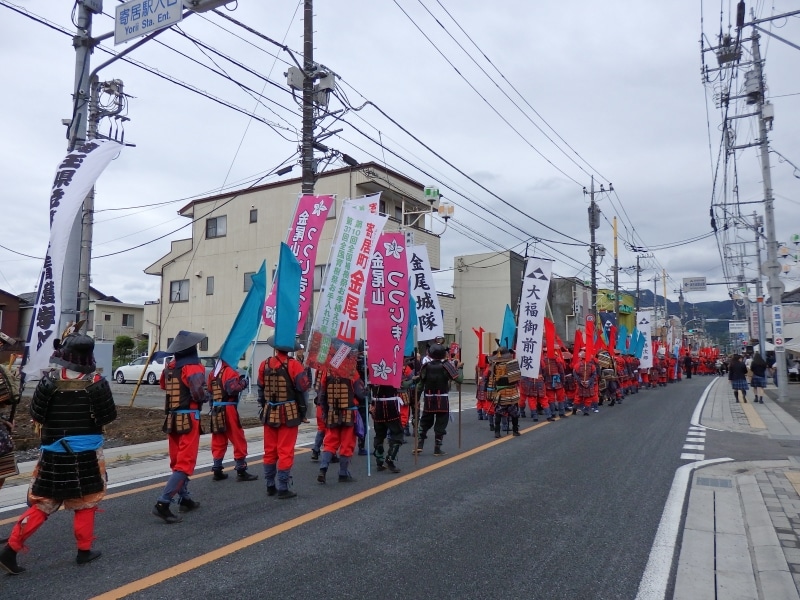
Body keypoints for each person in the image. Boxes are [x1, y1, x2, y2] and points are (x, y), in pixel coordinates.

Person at [1, 331, 116, 574]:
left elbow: (37, 414)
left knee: (44, 503)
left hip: (53, 452)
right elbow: (107, 416)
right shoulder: (97, 383)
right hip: (87, 452)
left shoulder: (49, 381)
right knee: (86, 501)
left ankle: (10, 549)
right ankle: (83, 551)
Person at [153, 331, 210, 524]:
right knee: (185, 463)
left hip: (172, 418)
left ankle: (185, 498)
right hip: (189, 417)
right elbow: (198, 394)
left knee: (177, 460)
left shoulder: (170, 367)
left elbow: (163, 386)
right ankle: (163, 502)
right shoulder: (193, 367)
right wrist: (207, 395)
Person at [257, 335, 310, 498]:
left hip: (269, 412)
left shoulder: (264, 364)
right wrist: (303, 412)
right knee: (285, 450)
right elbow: (303, 388)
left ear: (275, 348)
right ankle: (283, 487)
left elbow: (260, 388)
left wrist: (263, 406)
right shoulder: (294, 365)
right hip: (288, 412)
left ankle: (269, 485)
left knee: (269, 450)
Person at [208, 359, 258, 481]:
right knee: (237, 437)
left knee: (218, 438)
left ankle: (217, 468)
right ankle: (241, 469)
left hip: (216, 408)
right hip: (228, 408)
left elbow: (210, 391)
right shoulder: (229, 371)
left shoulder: (213, 373)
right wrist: (243, 383)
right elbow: (232, 389)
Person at [316, 367, 366, 483]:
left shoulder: (327, 372)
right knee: (347, 444)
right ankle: (343, 473)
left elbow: (322, 395)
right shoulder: (352, 371)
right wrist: (366, 391)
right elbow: (360, 394)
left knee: (330, 443)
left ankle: (323, 469)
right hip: (348, 413)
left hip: (332, 413)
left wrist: (325, 413)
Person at [414, 343, 462, 455]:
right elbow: (459, 380)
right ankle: (437, 448)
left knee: (425, 421)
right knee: (441, 423)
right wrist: (460, 368)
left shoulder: (425, 366)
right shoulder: (446, 366)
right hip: (442, 399)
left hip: (429, 399)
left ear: (430, 354)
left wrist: (416, 398)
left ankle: (420, 444)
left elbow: (420, 385)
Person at [370, 382, 405, 473]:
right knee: (397, 434)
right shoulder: (393, 373)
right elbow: (402, 385)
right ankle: (390, 459)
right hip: (391, 407)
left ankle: (379, 461)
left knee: (379, 435)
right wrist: (413, 382)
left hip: (377, 406)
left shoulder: (373, 375)